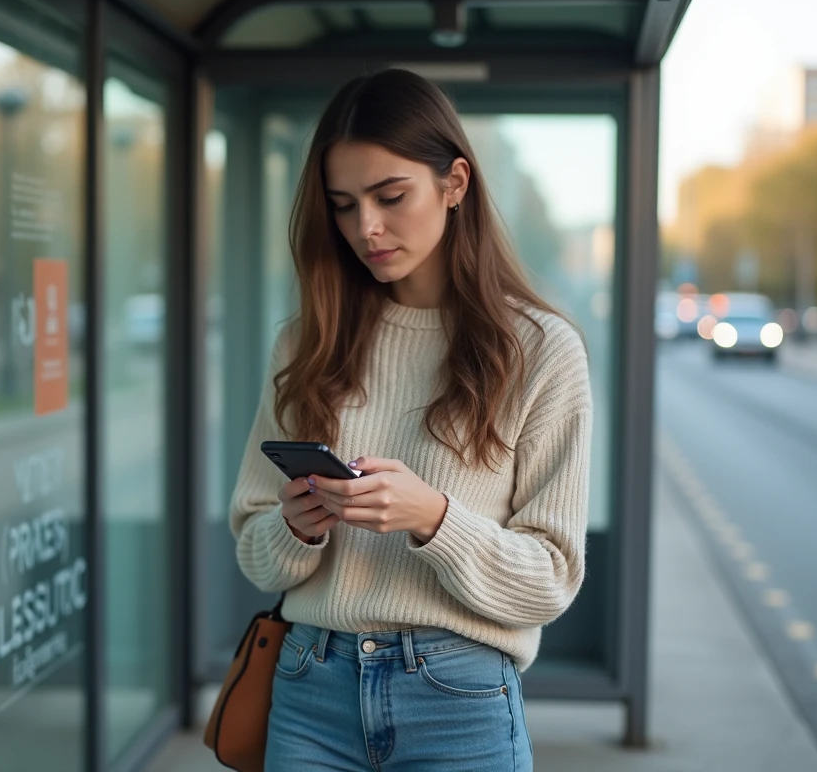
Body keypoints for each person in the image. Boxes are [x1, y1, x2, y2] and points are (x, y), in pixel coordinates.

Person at [229, 69, 592, 772]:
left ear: (454, 183)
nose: (366, 227)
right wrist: (297, 527)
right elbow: (253, 546)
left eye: (390, 196)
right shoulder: (306, 342)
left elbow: (551, 579)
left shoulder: (542, 351)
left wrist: (433, 518)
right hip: (310, 689)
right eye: (343, 205)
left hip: (459, 699)